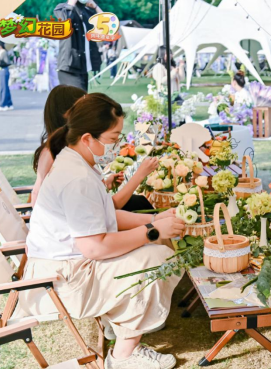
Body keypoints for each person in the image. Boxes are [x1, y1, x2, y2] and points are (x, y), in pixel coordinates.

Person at [19, 93, 185, 369]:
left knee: (155, 249)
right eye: (113, 138)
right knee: (157, 259)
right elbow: (94, 247)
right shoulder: (76, 178)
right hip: (61, 282)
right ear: (87, 138)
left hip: (67, 269)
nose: (117, 146)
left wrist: (155, 220)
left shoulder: (77, 163)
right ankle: (123, 356)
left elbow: (106, 213)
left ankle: (122, 328)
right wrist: (152, 231)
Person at [32, 85, 157, 212]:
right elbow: (108, 210)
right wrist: (139, 175)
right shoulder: (66, 164)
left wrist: (104, 184)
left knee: (139, 203)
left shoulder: (74, 155)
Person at [54, 0, 104, 91]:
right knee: (78, 102)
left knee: (81, 102)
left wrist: (96, 7)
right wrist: (72, 2)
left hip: (83, 68)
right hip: (69, 68)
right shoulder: (62, 9)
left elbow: (106, 24)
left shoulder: (87, 12)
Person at [0, 44, 13, 111]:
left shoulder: (3, 52)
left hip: (4, 70)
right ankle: (9, 104)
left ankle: (3, 105)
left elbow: (6, 62)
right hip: (2, 70)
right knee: (5, 87)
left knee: (3, 88)